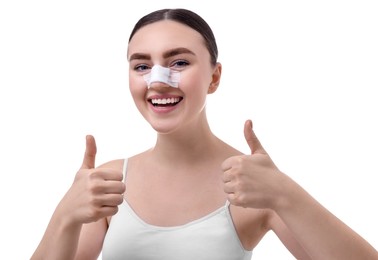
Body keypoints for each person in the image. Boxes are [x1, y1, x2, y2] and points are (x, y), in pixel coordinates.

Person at [31, 8, 378, 260]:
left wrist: (286, 194)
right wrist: (65, 216)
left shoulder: (252, 186)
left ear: (214, 77)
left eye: (179, 62)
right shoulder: (107, 183)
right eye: (141, 66)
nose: (156, 79)